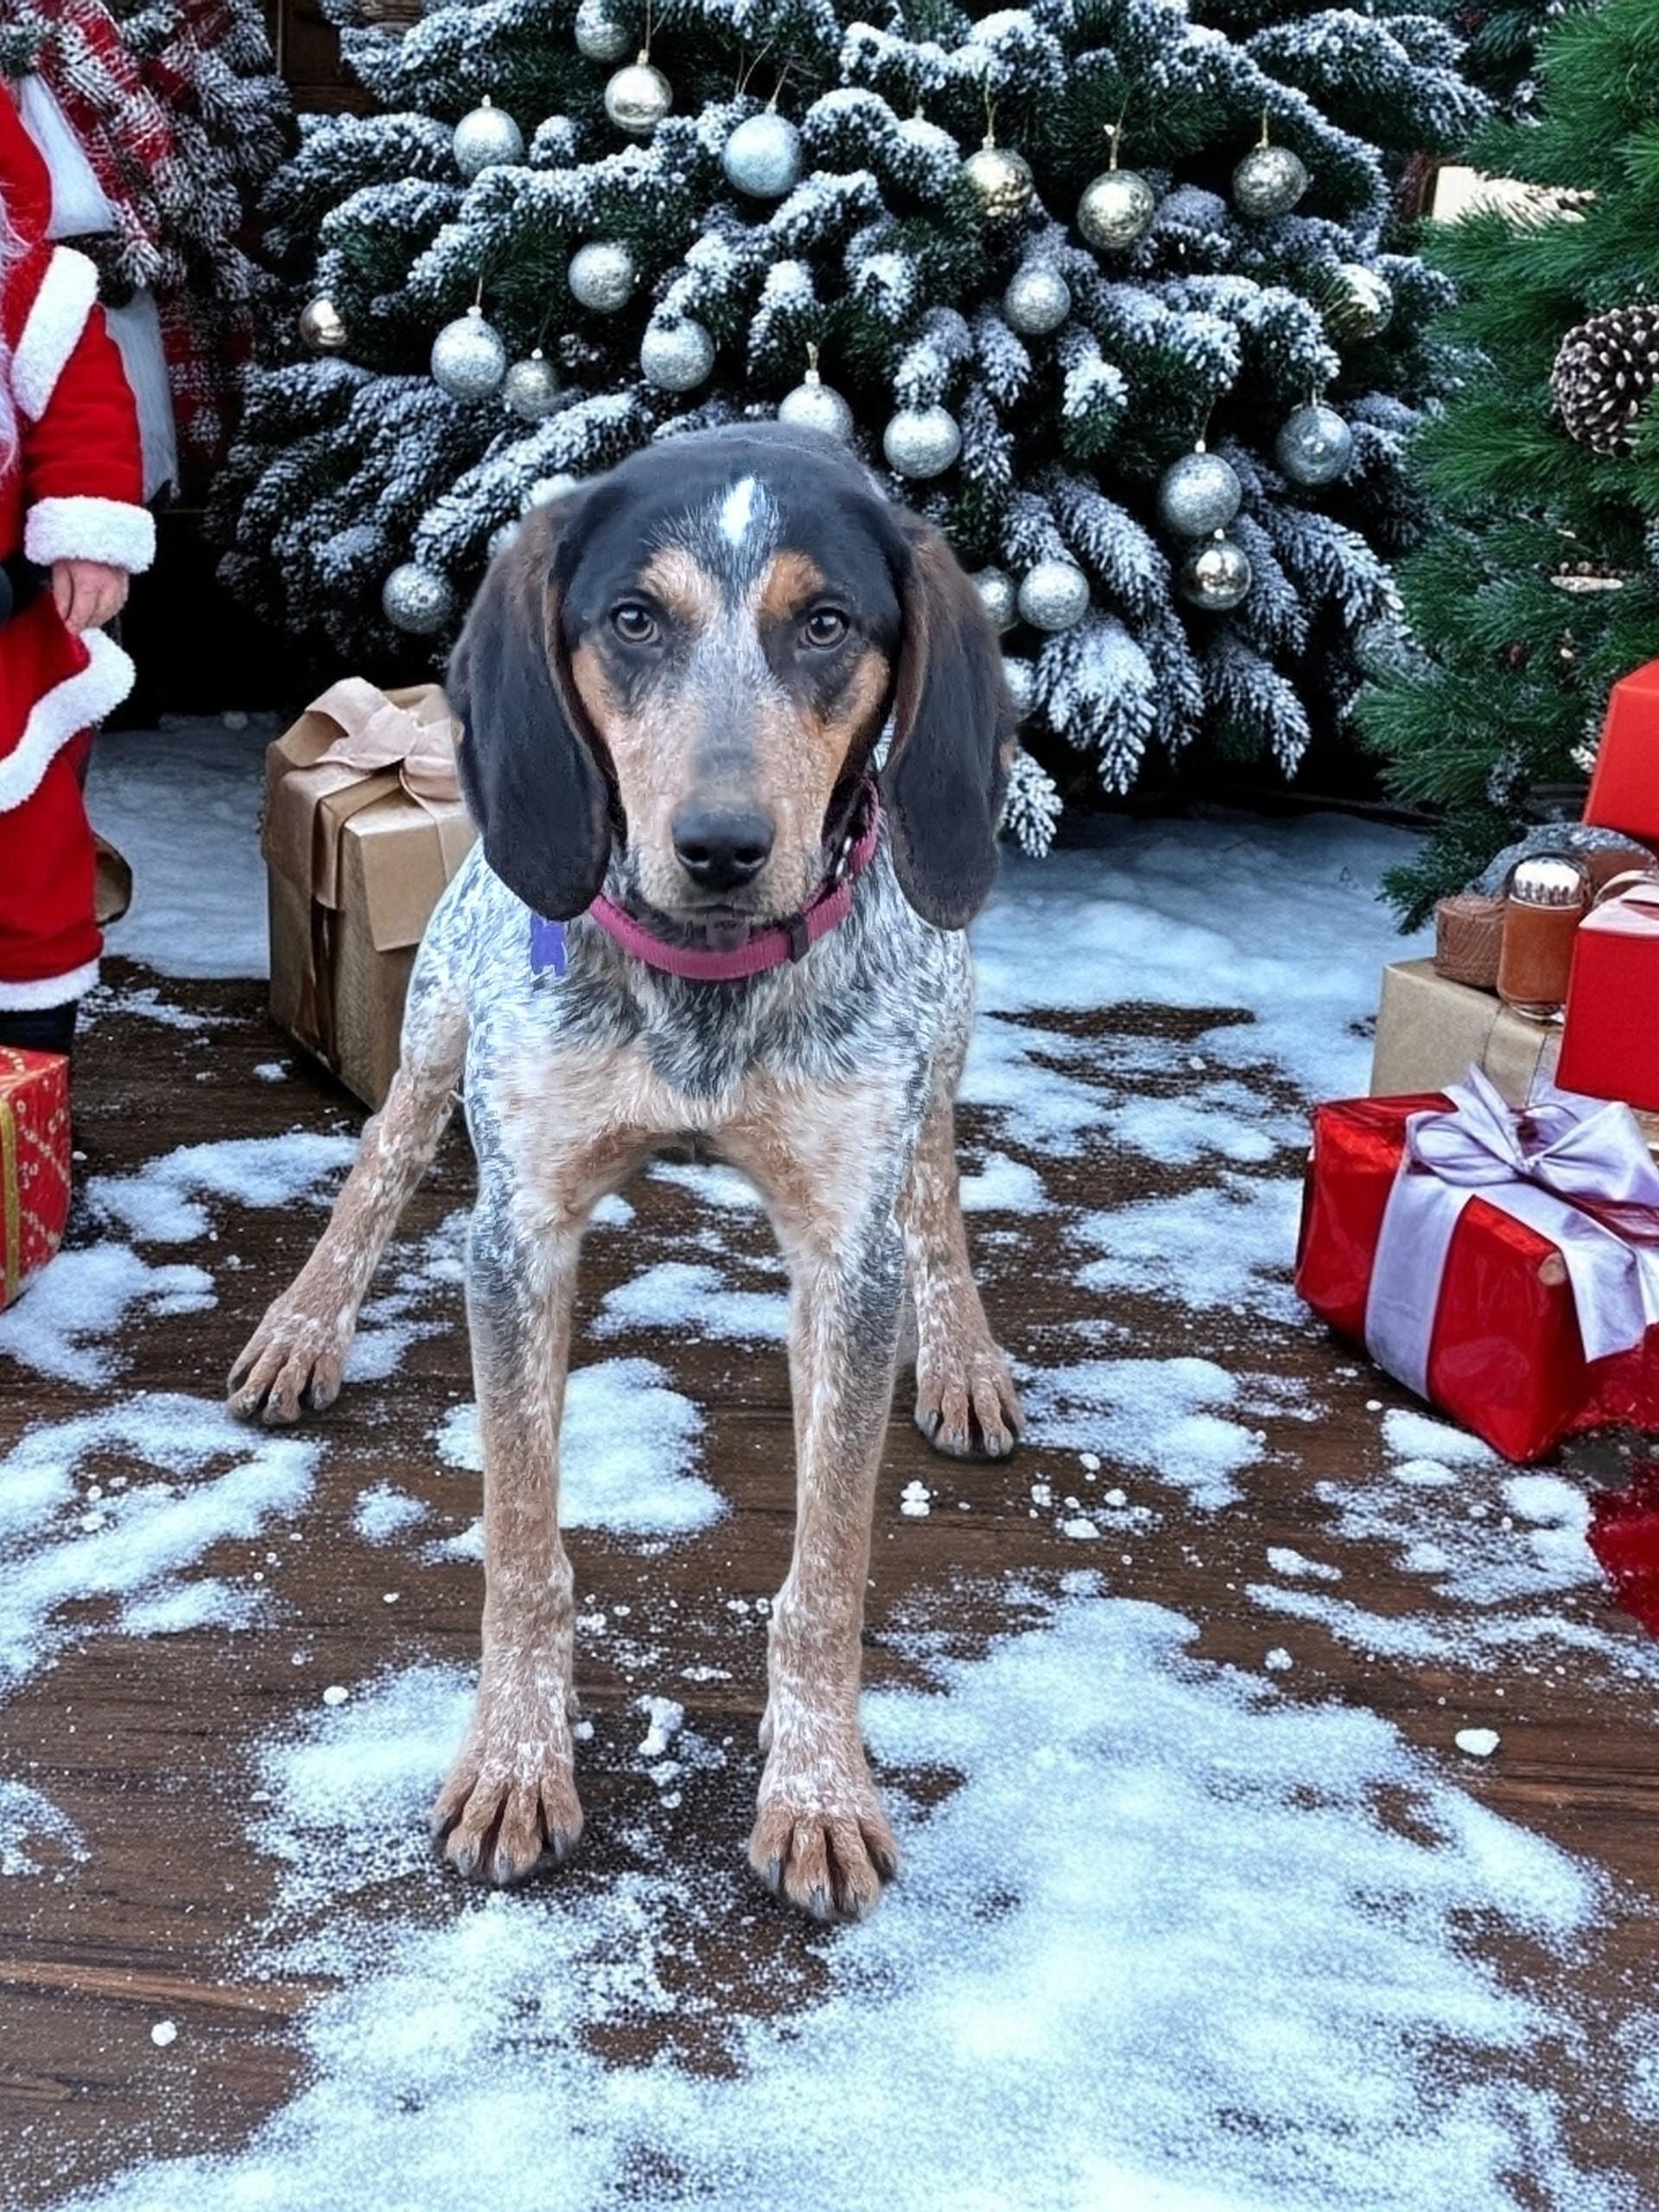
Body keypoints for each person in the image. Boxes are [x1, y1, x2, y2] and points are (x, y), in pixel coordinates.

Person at [0, 79, 153, 1055]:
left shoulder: (28, 291)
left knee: (26, 848)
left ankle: (28, 1055)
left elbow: (87, 408)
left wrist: (89, 538)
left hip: (4, 637)